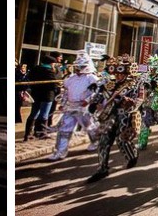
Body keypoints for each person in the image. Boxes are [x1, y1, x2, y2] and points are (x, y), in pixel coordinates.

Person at [86, 54, 144, 183]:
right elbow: (100, 95)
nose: (118, 76)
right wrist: (94, 104)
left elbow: (140, 99)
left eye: (121, 74)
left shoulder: (135, 84)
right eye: (116, 73)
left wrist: (131, 103)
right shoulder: (109, 84)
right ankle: (102, 169)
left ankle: (132, 156)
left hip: (126, 116)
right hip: (109, 115)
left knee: (122, 140)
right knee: (103, 141)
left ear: (127, 73)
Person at [47, 52, 99, 161]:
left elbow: (97, 92)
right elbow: (66, 92)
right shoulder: (71, 78)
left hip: (84, 108)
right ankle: (60, 152)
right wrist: (63, 104)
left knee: (90, 127)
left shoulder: (92, 78)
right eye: (77, 66)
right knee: (64, 130)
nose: (78, 69)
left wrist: (88, 100)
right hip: (70, 107)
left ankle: (96, 141)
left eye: (81, 66)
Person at [23, 55, 58, 140]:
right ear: (51, 63)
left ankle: (28, 134)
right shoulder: (50, 71)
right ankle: (41, 133)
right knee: (44, 114)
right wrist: (56, 89)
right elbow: (54, 84)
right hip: (47, 95)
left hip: (36, 94)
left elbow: (29, 79)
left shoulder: (35, 69)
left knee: (33, 113)